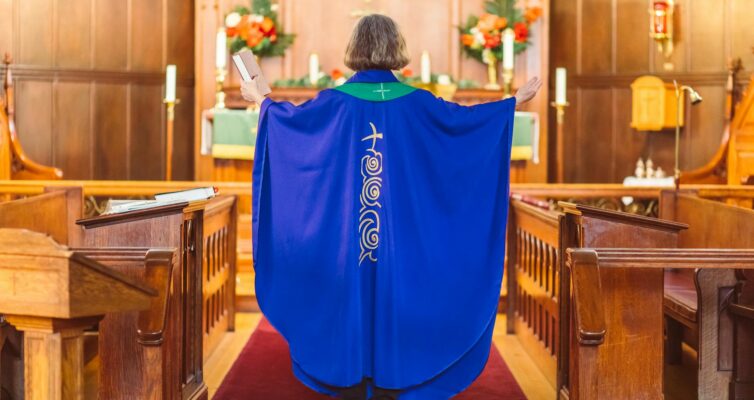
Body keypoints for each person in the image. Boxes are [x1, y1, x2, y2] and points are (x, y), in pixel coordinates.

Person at [242, 14, 541, 400]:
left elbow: (293, 125)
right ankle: (398, 370)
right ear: (396, 50)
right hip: (402, 244)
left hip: (348, 245)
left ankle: (350, 370)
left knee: (352, 282)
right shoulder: (419, 104)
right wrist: (510, 103)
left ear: (355, 50)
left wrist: (262, 102)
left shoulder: (334, 103)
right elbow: (463, 126)